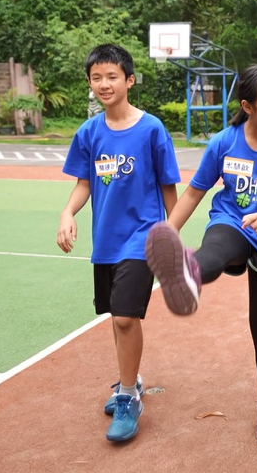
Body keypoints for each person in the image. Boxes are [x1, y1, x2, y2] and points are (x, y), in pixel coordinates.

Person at [144, 64, 257, 445]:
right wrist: (169, 231)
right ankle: (186, 272)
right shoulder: (224, 141)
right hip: (234, 221)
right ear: (248, 106)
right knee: (215, 251)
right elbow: (193, 192)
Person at [56, 44, 181, 442]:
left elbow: (168, 188)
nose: (104, 84)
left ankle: (128, 396)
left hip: (141, 237)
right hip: (105, 241)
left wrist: (171, 236)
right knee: (116, 316)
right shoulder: (89, 132)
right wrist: (67, 213)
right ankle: (133, 379)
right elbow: (84, 183)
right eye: (96, 78)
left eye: (112, 76)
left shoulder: (151, 129)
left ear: (129, 80)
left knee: (127, 317)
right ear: (90, 84)